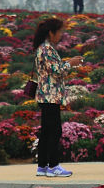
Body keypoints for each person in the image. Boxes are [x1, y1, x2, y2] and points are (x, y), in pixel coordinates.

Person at [31, 17, 83, 178]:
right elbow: (57, 70)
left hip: (47, 96)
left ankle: (43, 166)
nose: (61, 35)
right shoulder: (46, 49)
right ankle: (53, 165)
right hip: (50, 96)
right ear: (51, 33)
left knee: (47, 131)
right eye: (59, 31)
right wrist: (70, 63)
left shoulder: (44, 48)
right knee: (54, 131)